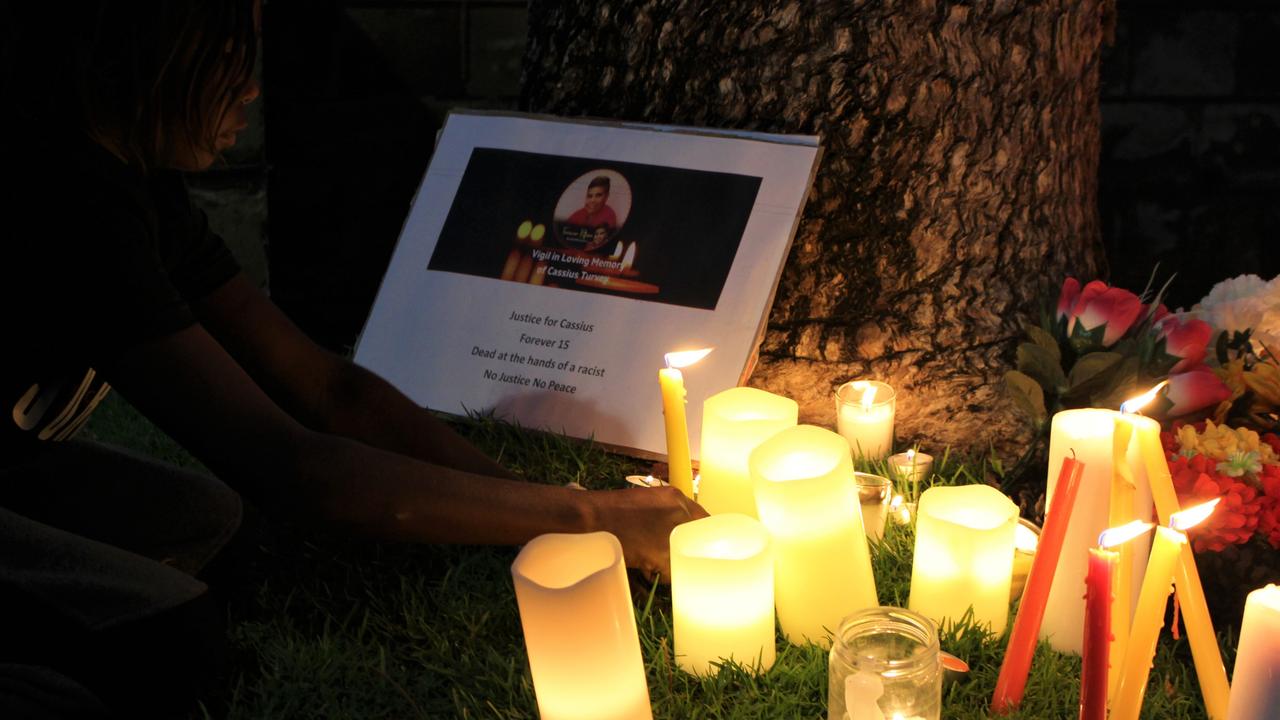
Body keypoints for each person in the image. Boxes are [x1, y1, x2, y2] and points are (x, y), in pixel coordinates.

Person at [0, 2, 703, 716]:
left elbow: (331, 391)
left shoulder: (140, 186)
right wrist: (592, 516)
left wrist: (534, 504)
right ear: (151, 54)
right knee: (172, 638)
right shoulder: (63, 201)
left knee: (214, 531)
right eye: (229, 56)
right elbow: (295, 469)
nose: (250, 89)